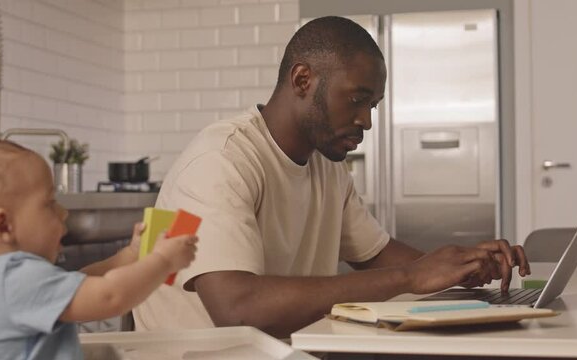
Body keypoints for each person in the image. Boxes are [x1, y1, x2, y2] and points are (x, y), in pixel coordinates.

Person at [134, 16, 530, 339]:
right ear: (303, 80)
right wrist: (413, 275)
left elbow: (375, 255)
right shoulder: (220, 160)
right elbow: (238, 310)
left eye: (373, 105)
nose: (367, 121)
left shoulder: (328, 166)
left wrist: (464, 266)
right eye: (358, 100)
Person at [0, 139, 198, 360]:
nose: (63, 212)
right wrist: (164, 260)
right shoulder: (14, 280)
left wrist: (132, 254)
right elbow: (110, 296)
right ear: (3, 226)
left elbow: (81, 282)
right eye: (49, 203)